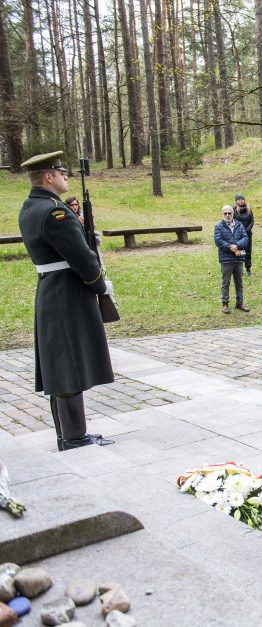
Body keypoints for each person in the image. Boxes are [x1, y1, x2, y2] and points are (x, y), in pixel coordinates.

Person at [18, 151, 114, 451]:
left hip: (52, 290)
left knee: (61, 363)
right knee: (68, 366)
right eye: (61, 172)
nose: (66, 176)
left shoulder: (31, 206)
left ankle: (69, 434)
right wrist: (100, 286)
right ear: (48, 176)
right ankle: (74, 438)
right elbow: (82, 259)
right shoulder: (55, 212)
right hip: (67, 294)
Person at [214, 205, 250, 314]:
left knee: (239, 282)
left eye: (229, 213)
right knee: (226, 282)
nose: (227, 215)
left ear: (233, 214)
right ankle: (225, 304)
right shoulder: (218, 226)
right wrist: (232, 248)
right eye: (225, 213)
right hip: (226, 259)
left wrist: (237, 245)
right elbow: (218, 241)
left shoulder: (239, 225)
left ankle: (240, 303)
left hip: (238, 259)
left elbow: (245, 238)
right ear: (222, 214)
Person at [232, 193, 254, 276]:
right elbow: (233, 221)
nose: (240, 201)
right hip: (238, 234)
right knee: (239, 250)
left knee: (248, 251)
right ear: (236, 201)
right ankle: (238, 269)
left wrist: (247, 230)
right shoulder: (233, 210)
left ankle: (248, 268)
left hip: (248, 233)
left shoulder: (249, 209)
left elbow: (252, 221)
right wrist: (240, 230)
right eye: (239, 199)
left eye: (242, 199)